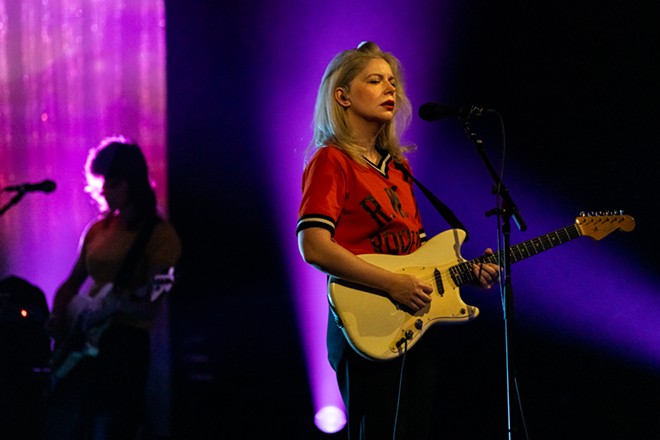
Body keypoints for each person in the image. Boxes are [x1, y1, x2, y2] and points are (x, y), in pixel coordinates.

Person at [296, 41, 501, 439]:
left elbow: (417, 256)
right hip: (364, 322)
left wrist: (466, 273)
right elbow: (314, 246)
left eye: (392, 82)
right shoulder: (332, 159)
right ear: (343, 96)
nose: (390, 89)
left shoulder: (399, 168)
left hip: (411, 323)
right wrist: (391, 283)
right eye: (374, 81)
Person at [44, 136, 182, 439]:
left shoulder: (159, 234)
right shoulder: (98, 229)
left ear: (133, 183)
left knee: (112, 426)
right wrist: (58, 317)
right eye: (102, 181)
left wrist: (124, 304)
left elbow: (153, 300)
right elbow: (71, 284)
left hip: (124, 346)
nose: (104, 189)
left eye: (113, 182)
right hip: (84, 340)